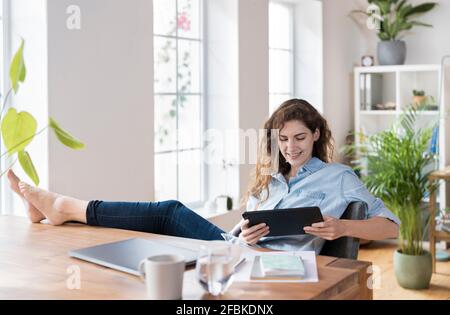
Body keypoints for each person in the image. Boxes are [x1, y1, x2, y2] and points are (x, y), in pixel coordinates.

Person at [7, 99, 399, 254]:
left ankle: (61, 205)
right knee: (163, 223)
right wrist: (244, 234)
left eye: (299, 138)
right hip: (239, 251)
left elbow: (390, 226)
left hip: (278, 266)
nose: (291, 148)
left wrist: (341, 227)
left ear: (316, 134)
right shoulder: (270, 176)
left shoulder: (338, 176)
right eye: (282, 139)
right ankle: (63, 208)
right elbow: (245, 228)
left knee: (169, 212)